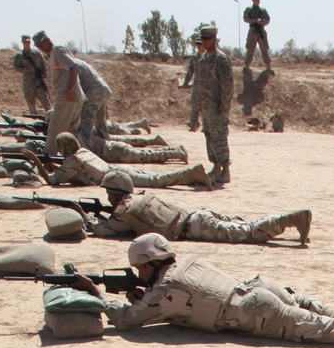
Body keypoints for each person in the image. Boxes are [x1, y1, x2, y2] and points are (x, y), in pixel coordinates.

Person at [79, 232, 334, 348]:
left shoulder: (164, 288)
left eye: (139, 268)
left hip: (254, 312)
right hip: (258, 288)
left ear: (148, 263)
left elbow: (128, 320)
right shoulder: (186, 263)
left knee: (326, 329)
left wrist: (97, 294)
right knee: (322, 314)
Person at [91, 171, 311, 244]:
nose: (108, 198)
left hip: (195, 226)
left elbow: (106, 230)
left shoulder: (125, 210)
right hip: (198, 215)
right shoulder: (142, 197)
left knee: (249, 233)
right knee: (245, 224)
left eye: (109, 193)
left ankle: (291, 218)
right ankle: (290, 219)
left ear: (115, 192)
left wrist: (86, 217)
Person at [31, 134, 212, 191]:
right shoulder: (82, 152)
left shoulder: (72, 161)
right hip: (118, 169)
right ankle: (191, 176)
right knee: (154, 178)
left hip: (116, 176)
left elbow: (53, 180)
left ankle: (191, 173)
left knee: (156, 181)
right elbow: (68, 171)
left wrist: (36, 162)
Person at [194, 25, 233, 187]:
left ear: (214, 39)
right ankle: (216, 167)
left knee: (220, 138)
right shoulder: (202, 60)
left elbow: (228, 85)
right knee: (209, 136)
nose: (204, 41)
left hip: (217, 108)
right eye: (202, 38)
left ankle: (225, 170)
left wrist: (225, 106)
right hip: (206, 107)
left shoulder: (221, 60)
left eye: (207, 38)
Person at [33, 31, 84, 154]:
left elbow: (73, 67)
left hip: (67, 96)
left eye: (40, 45)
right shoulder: (55, 51)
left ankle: (48, 158)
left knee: (56, 127)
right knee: (72, 131)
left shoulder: (57, 50)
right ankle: (76, 158)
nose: (40, 48)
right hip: (73, 96)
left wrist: (70, 88)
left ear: (46, 40)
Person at [71, 55, 113, 151]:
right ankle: (109, 148)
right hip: (103, 90)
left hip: (93, 94)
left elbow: (75, 90)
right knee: (101, 125)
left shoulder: (72, 65)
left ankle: (88, 154)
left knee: (85, 129)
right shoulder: (79, 62)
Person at [12, 36, 50, 117]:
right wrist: (27, 70)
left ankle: (51, 119)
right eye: (25, 41)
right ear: (22, 42)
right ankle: (35, 121)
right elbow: (16, 67)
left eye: (29, 41)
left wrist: (44, 76)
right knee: (31, 103)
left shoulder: (37, 53)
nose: (27, 43)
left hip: (39, 81)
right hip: (28, 83)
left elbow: (44, 65)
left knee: (46, 102)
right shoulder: (20, 55)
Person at [181, 33, 202, 132]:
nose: (199, 46)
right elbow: (190, 70)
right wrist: (186, 82)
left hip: (208, 86)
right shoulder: (194, 57)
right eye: (197, 44)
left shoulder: (209, 57)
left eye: (200, 44)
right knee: (194, 106)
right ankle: (193, 125)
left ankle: (206, 127)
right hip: (197, 85)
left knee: (207, 107)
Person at [243, 0, 271, 70]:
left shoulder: (263, 10)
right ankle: (247, 65)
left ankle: (268, 66)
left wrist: (262, 22)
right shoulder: (249, 9)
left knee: (264, 48)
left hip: (261, 30)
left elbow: (268, 19)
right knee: (250, 49)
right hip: (252, 30)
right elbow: (245, 19)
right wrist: (255, 20)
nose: (258, 0)